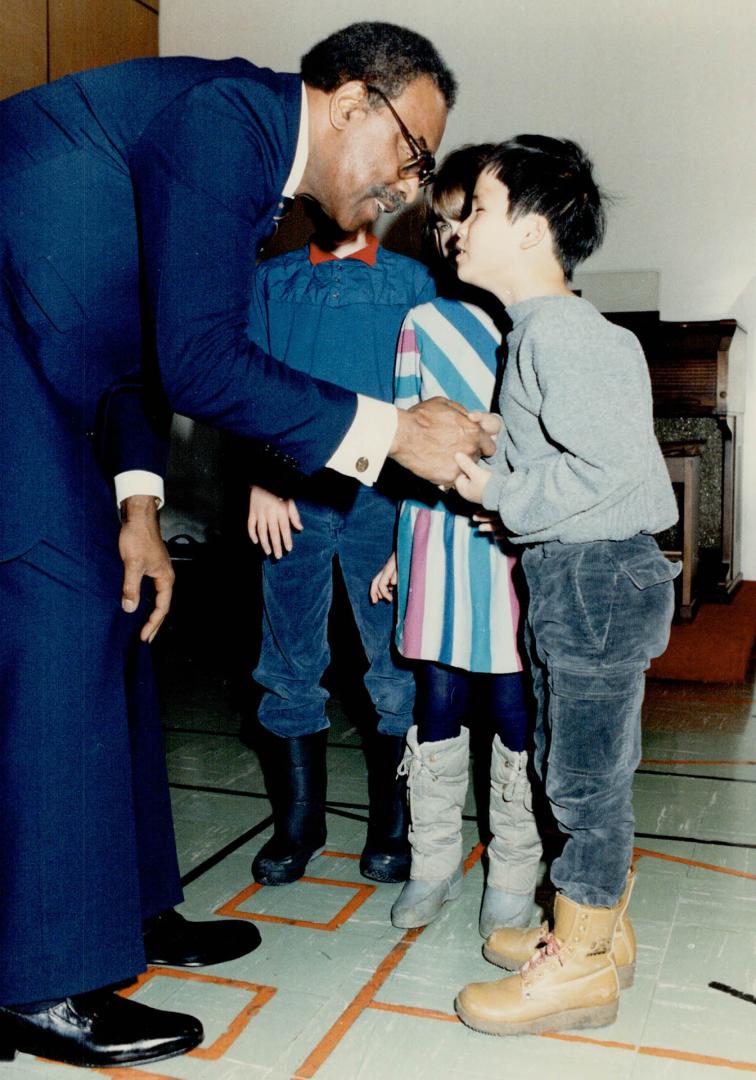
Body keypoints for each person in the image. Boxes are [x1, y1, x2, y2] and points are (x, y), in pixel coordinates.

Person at [0, 22, 496, 1069]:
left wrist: (139, 502)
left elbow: (132, 349)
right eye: (411, 154)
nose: (410, 188)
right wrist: (396, 431)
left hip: (57, 365)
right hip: (10, 350)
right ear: (355, 100)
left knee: (124, 603)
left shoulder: (247, 171)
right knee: (61, 607)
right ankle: (41, 977)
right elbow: (198, 361)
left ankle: (125, 917)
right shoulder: (229, 119)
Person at [449, 136, 680, 1036]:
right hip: (577, 574)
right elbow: (570, 453)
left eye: (479, 211)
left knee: (583, 782)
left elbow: (621, 477)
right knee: (574, 767)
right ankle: (599, 925)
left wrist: (499, 490)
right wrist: (504, 446)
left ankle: (579, 966)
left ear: (536, 228)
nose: (459, 227)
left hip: (593, 576)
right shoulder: (544, 332)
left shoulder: (566, 334)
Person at [370, 146, 541, 937]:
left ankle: (514, 867)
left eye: (466, 217)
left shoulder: (533, 321)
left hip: (510, 538)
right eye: (440, 225)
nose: (451, 236)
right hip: (437, 536)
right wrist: (403, 548)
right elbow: (409, 443)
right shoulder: (420, 324)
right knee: (436, 700)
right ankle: (434, 860)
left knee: (513, 701)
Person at [245, 218, 435, 887]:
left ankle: (394, 824)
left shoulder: (412, 282)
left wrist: (416, 513)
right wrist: (263, 479)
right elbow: (248, 388)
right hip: (291, 498)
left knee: (395, 664)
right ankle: (299, 825)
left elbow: (425, 403)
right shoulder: (272, 280)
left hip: (382, 500)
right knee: (290, 657)